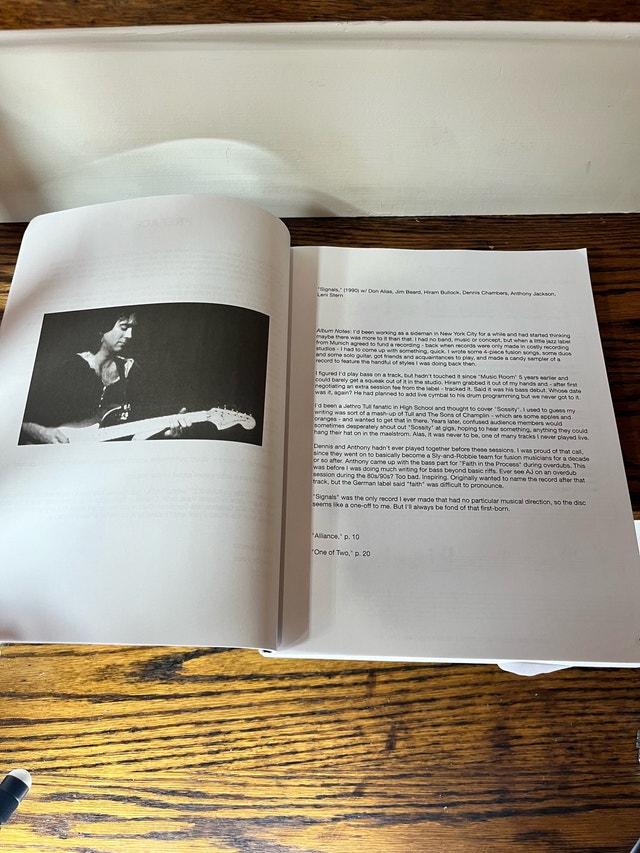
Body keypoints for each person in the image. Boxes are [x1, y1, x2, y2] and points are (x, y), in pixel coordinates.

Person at [20, 307, 187, 444]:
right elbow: (19, 418)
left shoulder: (131, 370)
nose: (130, 335)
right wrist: (41, 432)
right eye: (124, 327)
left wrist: (165, 433)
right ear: (103, 327)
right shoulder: (68, 367)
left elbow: (137, 427)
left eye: (133, 328)